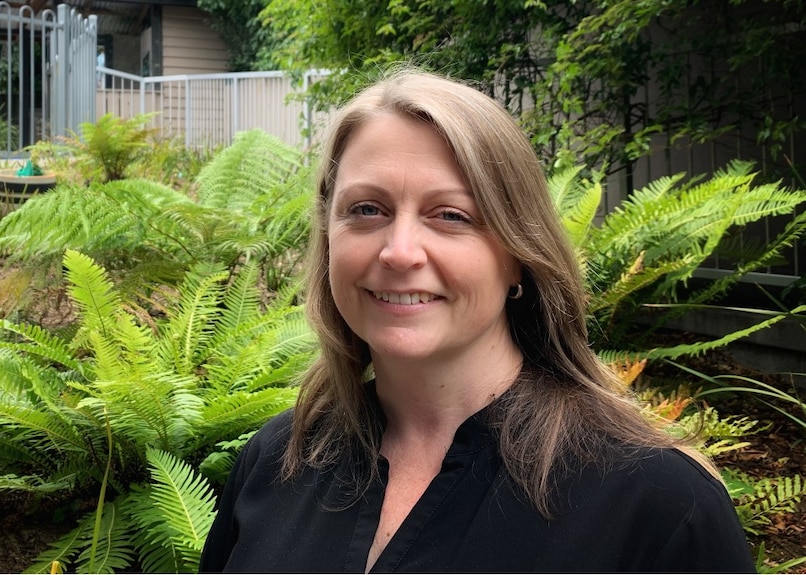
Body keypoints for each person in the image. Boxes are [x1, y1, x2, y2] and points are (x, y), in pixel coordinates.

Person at [199, 69, 756, 573]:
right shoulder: (277, 460)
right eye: (367, 209)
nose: (399, 252)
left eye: (452, 215)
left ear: (518, 254)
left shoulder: (655, 505)